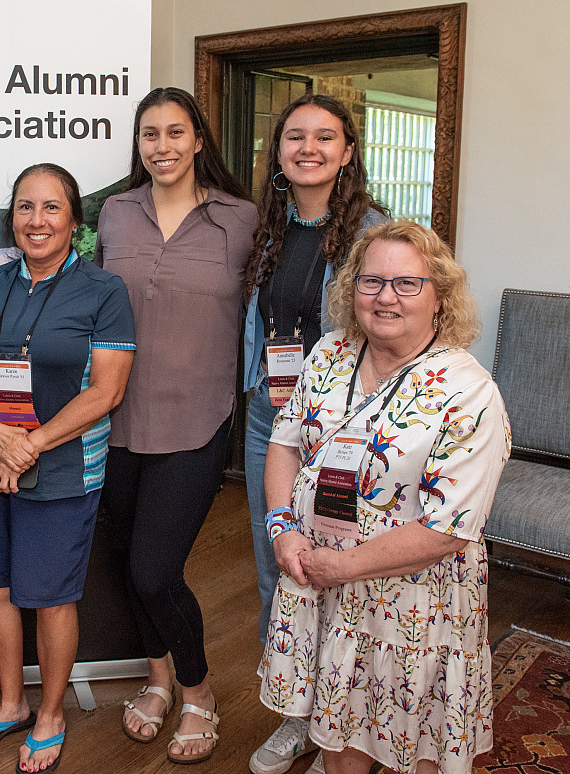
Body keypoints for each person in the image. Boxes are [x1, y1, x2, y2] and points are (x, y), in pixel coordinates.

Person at [258, 221, 510, 774]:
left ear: (440, 297)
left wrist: (339, 566)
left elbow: (448, 529)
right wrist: (284, 528)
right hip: (317, 578)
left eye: (407, 284)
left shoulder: (468, 393)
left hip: (412, 603)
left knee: (409, 735)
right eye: (370, 281)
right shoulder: (329, 354)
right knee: (337, 725)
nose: (385, 297)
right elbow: (284, 444)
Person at [0, 163, 136, 774]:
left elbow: (106, 392)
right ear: (12, 217)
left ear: (74, 221)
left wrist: (28, 445)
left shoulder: (104, 291)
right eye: (26, 208)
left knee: (52, 598)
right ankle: (11, 703)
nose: (37, 220)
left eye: (52, 208)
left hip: (62, 469)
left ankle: (52, 713)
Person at [94, 87, 257, 764]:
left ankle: (199, 694)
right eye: (149, 135)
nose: (161, 146)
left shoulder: (241, 219)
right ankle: (157, 681)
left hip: (197, 419)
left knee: (157, 570)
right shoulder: (114, 213)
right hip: (112, 417)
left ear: (197, 140)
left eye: (174, 133)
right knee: (129, 567)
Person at [243, 93, 389, 774]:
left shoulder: (374, 232)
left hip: (344, 430)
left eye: (324, 137)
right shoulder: (267, 230)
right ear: (278, 153)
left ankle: (348, 713)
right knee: (281, 562)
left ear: (348, 151)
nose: (309, 148)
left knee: (339, 569)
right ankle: (296, 715)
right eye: (295, 136)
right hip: (269, 419)